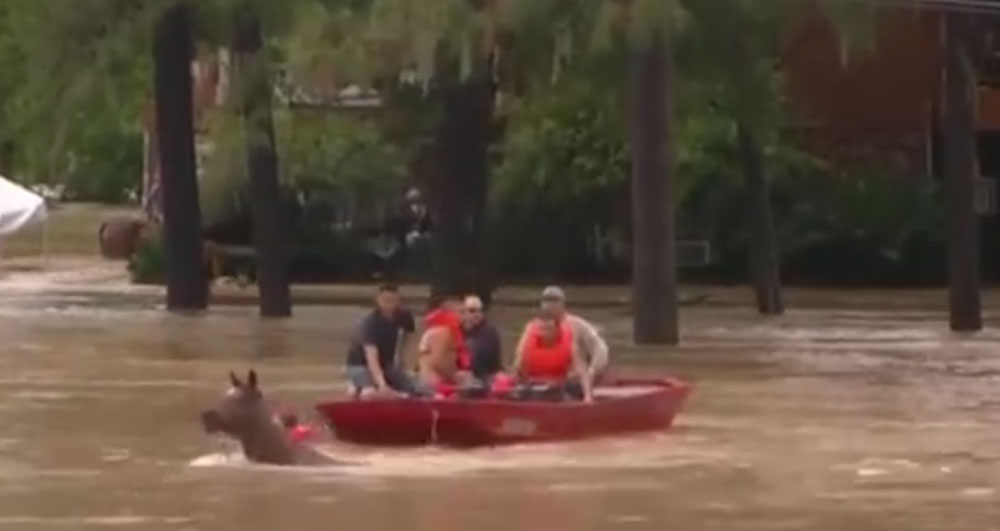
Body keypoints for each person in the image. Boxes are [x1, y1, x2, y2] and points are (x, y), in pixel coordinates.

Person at [515, 286, 610, 388]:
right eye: (546, 300)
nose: (550, 305)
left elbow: (600, 349)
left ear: (563, 304)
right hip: (537, 381)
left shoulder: (577, 325)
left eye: (555, 301)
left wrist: (592, 372)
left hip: (570, 382)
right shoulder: (531, 327)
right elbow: (520, 357)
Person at [345, 283, 424, 397]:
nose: (389, 305)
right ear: (378, 300)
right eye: (386, 300)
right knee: (370, 393)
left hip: (386, 363)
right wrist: (382, 384)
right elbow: (371, 357)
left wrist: (402, 361)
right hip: (360, 365)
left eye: (393, 300)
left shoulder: (404, 316)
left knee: (416, 387)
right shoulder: (370, 324)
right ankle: (357, 386)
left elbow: (410, 337)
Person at [512, 310, 593, 402]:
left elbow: (582, 370)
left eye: (548, 329)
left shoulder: (569, 343)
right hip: (534, 386)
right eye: (541, 329)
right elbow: (517, 369)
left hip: (559, 385)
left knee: (575, 387)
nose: (544, 333)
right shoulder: (527, 342)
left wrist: (588, 396)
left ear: (557, 329)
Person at [416, 294, 471, 391]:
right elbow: (439, 361)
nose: (465, 316)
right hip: (435, 385)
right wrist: (455, 377)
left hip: (437, 381)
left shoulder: (441, 330)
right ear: (449, 313)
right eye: (461, 312)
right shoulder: (443, 332)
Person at [461, 295, 502, 384]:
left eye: (480, 311)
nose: (477, 314)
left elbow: (477, 357)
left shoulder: (488, 333)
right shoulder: (456, 330)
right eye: (472, 311)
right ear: (463, 313)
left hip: (484, 379)